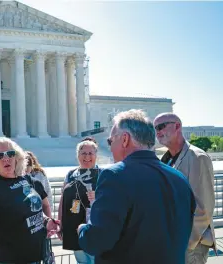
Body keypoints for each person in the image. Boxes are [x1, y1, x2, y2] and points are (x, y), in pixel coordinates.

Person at [78, 109, 196, 264]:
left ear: (125, 139)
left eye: (110, 141)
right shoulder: (179, 178)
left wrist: (82, 230)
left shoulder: (114, 176)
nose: (110, 148)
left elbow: (97, 241)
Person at [0, 137, 60, 264]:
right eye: (0, 156)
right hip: (9, 259)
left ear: (17, 157)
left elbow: (34, 211)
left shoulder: (28, 180)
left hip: (37, 256)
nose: (6, 158)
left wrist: (47, 221)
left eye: (10, 154)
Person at [154, 112, 217, 263]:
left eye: (161, 126)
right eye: (155, 128)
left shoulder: (197, 157)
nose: (158, 132)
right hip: (172, 241)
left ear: (177, 126)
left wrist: (187, 243)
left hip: (189, 245)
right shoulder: (166, 158)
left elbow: (204, 207)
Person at [58, 138, 99, 264]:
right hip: (74, 227)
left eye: (90, 153)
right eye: (83, 153)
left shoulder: (104, 174)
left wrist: (97, 197)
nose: (87, 157)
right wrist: (61, 223)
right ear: (78, 155)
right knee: (81, 261)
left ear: (96, 155)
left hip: (96, 228)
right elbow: (63, 200)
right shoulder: (70, 175)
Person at [25, 151, 53, 217]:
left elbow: (46, 192)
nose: (26, 167)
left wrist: (49, 214)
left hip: (40, 208)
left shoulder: (39, 175)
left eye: (28, 164)